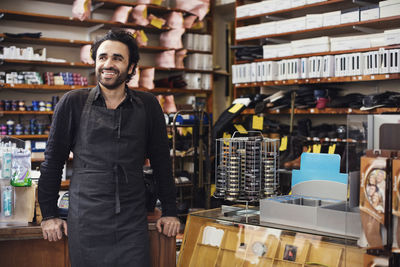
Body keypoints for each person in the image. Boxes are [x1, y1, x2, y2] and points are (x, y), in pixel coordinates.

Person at [38, 29, 180, 267]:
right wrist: (49, 215)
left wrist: (170, 210)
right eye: (102, 57)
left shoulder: (148, 105)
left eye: (117, 58)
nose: (108, 64)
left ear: (132, 66)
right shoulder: (73, 102)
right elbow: (52, 162)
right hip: (86, 218)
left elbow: (161, 163)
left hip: (131, 219)